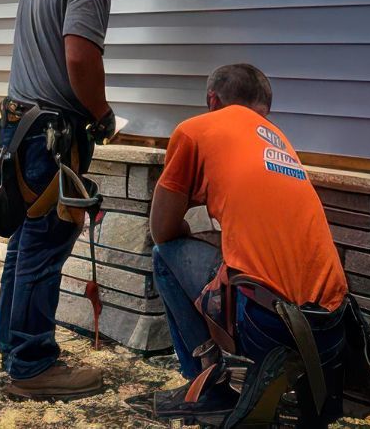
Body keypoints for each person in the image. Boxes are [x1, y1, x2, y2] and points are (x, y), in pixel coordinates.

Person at [146, 64, 349, 424]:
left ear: (213, 100)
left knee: (164, 255)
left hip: (267, 326)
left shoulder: (195, 130)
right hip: (331, 330)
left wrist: (186, 224)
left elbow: (161, 229)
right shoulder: (278, 140)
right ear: (264, 110)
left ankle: (208, 387)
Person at [0, 0, 127, 402]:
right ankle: (32, 366)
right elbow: (79, 61)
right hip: (50, 137)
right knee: (44, 248)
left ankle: (11, 344)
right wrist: (102, 114)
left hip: (17, 123)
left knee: (24, 244)